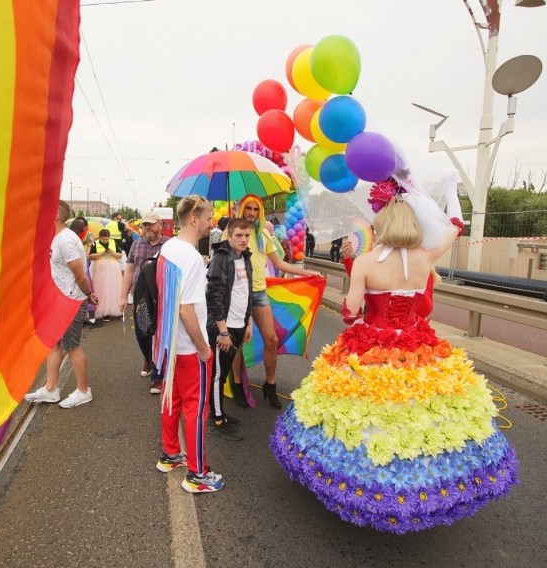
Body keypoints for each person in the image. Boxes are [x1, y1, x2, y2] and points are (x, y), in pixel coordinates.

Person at [271, 175, 518, 533]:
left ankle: (363, 485)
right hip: (419, 348)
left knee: (361, 415)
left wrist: (352, 291)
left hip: (372, 347)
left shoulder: (368, 262)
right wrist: (449, 191)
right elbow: (456, 225)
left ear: (381, 223)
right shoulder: (426, 256)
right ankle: (427, 486)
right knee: (425, 417)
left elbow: (350, 313)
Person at [153, 195, 223, 493]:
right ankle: (197, 474)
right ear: (194, 217)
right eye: (208, 218)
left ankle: (171, 454)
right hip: (190, 348)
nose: (211, 223)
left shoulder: (169, 248)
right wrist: (204, 348)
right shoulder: (192, 257)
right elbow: (186, 309)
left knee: (173, 398)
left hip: (170, 343)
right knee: (197, 409)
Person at [235, 194, 320, 408]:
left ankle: (269, 385)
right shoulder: (233, 233)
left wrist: (307, 273)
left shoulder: (263, 234)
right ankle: (237, 386)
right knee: (237, 342)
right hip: (237, 294)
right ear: (242, 210)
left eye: (256, 209)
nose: (252, 213)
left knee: (271, 339)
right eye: (248, 209)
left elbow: (279, 264)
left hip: (259, 293)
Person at [24, 201, 97, 409]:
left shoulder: (65, 241)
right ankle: (50, 389)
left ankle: (83, 391)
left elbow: (80, 275)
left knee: (72, 346)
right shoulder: (56, 238)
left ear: (55, 215)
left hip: (71, 300)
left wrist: (89, 293)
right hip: (59, 299)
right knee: (55, 344)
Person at [205, 218, 253, 442]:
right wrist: (222, 331)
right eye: (239, 236)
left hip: (239, 324)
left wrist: (249, 321)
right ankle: (216, 419)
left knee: (222, 373)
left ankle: (219, 411)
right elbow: (214, 295)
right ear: (229, 236)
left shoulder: (246, 257)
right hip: (223, 328)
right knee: (217, 375)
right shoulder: (222, 257)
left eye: (246, 236)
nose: (244, 240)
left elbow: (247, 292)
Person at [118, 210, 170, 394]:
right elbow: (130, 271)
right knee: (142, 334)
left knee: (159, 335)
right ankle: (148, 358)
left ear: (159, 225)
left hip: (163, 297)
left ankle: (157, 374)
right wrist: (123, 296)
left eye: (150, 224)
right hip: (141, 297)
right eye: (144, 225)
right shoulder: (137, 245)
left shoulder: (170, 245)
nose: (146, 228)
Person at [89, 228, 123, 322]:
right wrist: (101, 254)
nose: (105, 241)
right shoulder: (95, 244)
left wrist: (112, 252)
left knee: (114, 288)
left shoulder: (114, 242)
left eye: (106, 239)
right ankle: (103, 312)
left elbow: (120, 255)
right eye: (103, 239)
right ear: (99, 238)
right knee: (101, 289)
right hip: (100, 269)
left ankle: (117, 310)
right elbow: (90, 256)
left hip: (113, 268)